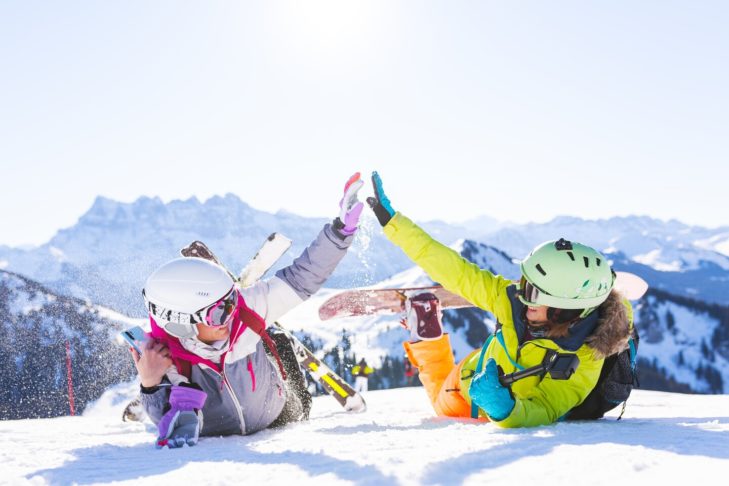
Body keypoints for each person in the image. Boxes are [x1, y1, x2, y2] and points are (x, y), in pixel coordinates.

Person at [366, 172, 634, 428]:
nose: (521, 295)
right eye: (525, 283)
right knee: (440, 395)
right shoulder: (513, 300)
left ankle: (428, 340)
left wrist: (506, 411)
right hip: (469, 378)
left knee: (439, 401)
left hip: (474, 404)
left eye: (533, 292)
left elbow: (547, 407)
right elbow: (456, 271)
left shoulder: (587, 356)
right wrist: (393, 224)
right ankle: (429, 339)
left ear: (563, 311)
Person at [131, 173, 365, 448]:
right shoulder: (163, 360)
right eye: (219, 312)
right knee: (266, 335)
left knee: (272, 344)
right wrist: (149, 382)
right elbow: (164, 421)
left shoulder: (244, 312)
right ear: (184, 323)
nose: (231, 315)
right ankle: (274, 337)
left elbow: (303, 277)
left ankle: (275, 340)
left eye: (231, 300)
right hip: (218, 431)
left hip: (281, 413)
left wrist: (340, 232)